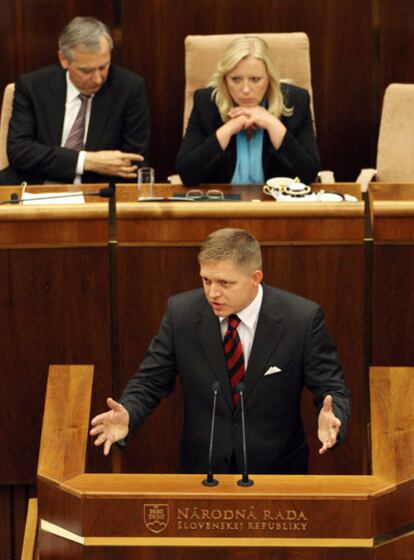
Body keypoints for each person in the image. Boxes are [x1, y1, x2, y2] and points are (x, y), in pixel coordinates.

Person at [90, 228, 351, 475]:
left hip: (277, 472)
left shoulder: (301, 320)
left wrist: (333, 418)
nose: (212, 293)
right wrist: (129, 413)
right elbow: (150, 382)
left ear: (255, 278)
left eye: (225, 283)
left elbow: (332, 388)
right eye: (206, 280)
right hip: (203, 471)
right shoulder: (182, 314)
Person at [0, 16, 150, 186]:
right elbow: (19, 151)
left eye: (103, 67)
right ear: (64, 59)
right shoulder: (32, 87)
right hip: (36, 186)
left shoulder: (129, 88)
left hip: (96, 193)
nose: (98, 79)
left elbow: (133, 162)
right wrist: (85, 161)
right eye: (86, 71)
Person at [175, 36, 320, 186]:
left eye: (255, 79)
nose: (245, 90)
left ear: (269, 79)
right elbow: (187, 174)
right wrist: (228, 129)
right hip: (221, 205)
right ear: (224, 80)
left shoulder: (296, 101)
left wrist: (273, 124)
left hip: (275, 205)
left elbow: (308, 174)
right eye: (236, 79)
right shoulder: (206, 103)